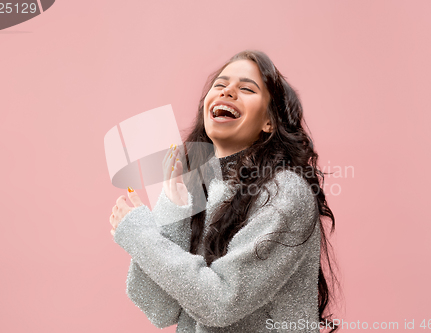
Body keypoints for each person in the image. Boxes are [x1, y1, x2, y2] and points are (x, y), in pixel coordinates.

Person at [109, 50, 340, 332]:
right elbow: (159, 307)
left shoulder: (286, 194)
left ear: (269, 122)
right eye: (220, 85)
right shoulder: (200, 184)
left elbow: (221, 303)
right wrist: (174, 205)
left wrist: (138, 233)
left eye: (246, 88)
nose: (228, 91)